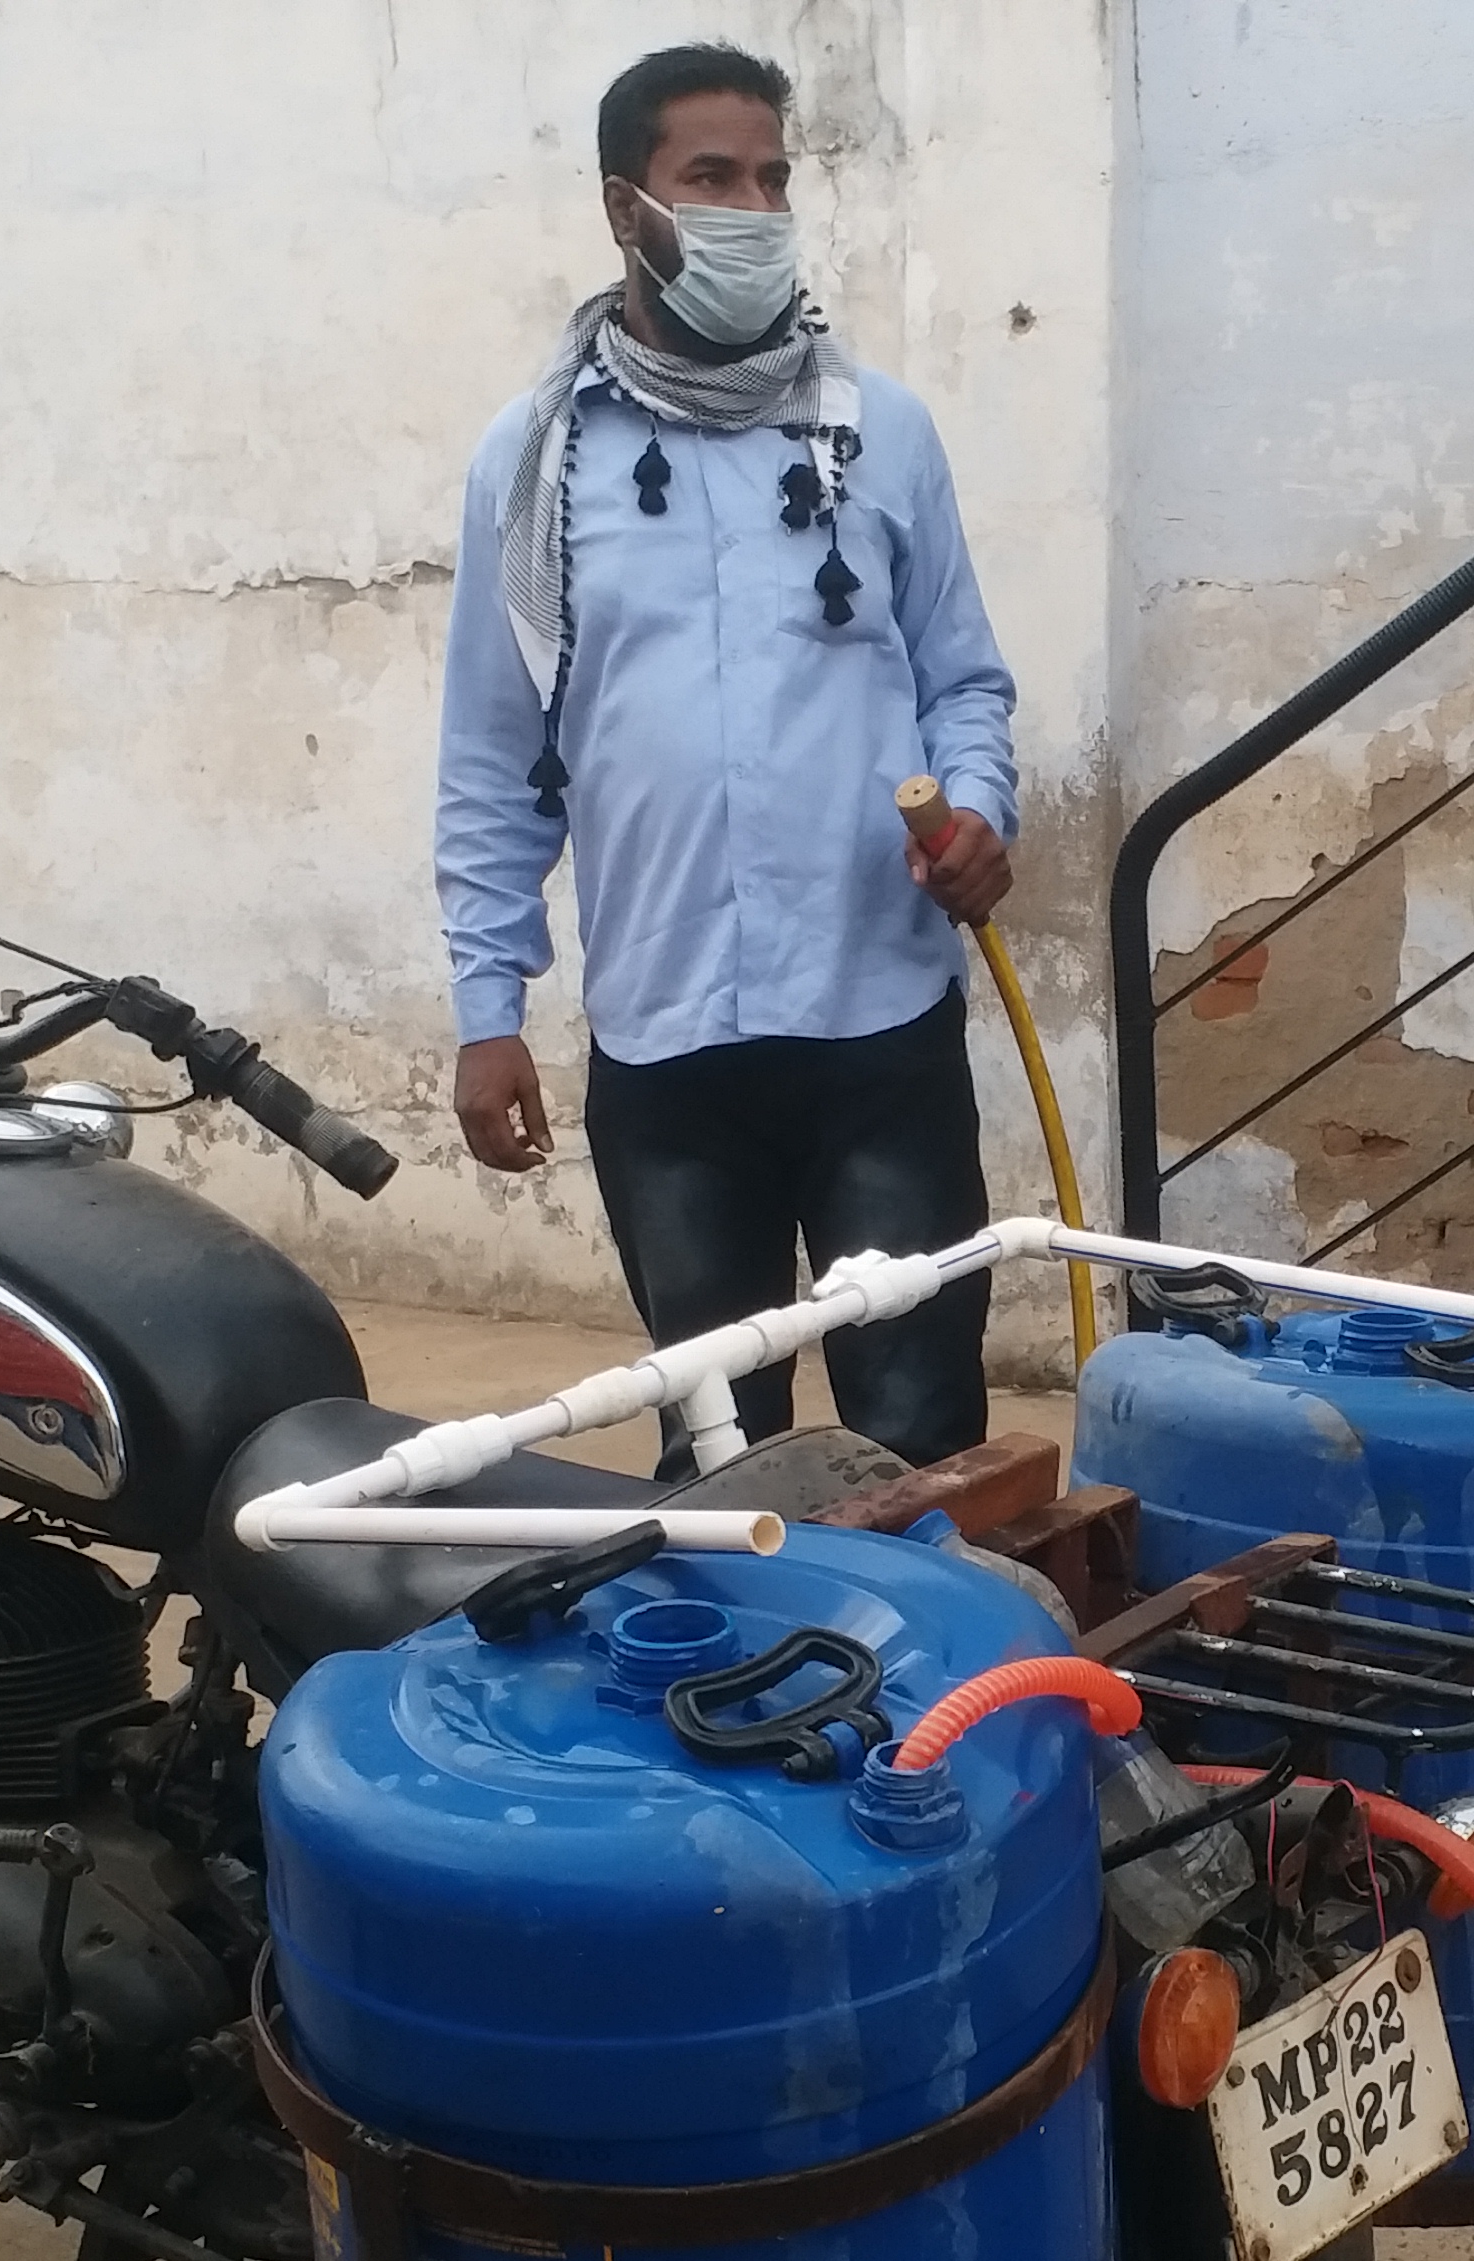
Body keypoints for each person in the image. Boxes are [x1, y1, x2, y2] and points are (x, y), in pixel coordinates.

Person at [433, 42, 1017, 1478]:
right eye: (714, 178)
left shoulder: (884, 434)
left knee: (922, 1436)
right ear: (628, 206)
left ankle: (933, 1708)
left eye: (773, 178)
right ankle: (751, 1700)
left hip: (877, 1023)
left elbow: (965, 681)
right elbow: (496, 757)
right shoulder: (533, 470)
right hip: (668, 1049)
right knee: (718, 1454)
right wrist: (486, 1004)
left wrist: (983, 811)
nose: (754, 208)